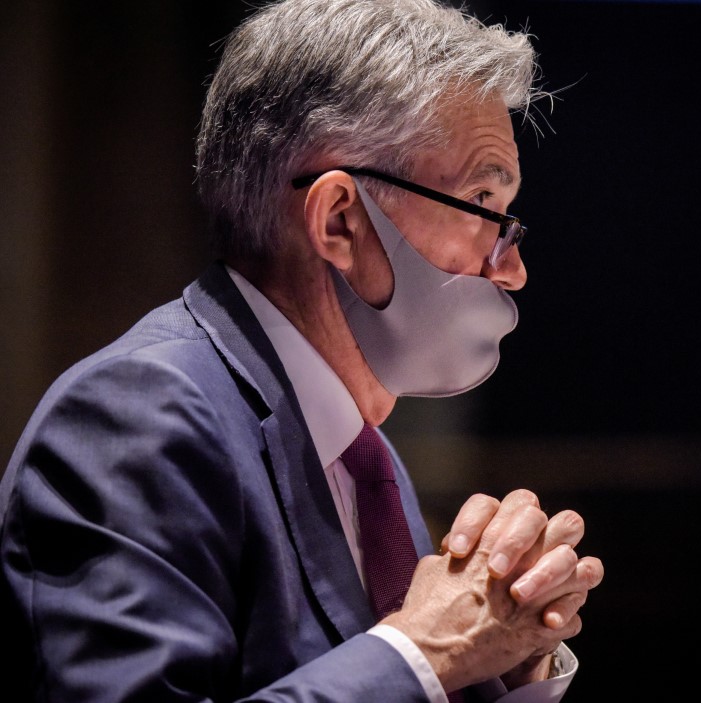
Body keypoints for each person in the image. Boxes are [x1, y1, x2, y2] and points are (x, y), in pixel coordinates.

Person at [0, 1, 603, 701]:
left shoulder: (364, 459)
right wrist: (426, 652)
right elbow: (406, 662)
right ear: (341, 220)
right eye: (483, 204)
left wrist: (502, 664)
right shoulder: (136, 417)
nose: (511, 267)